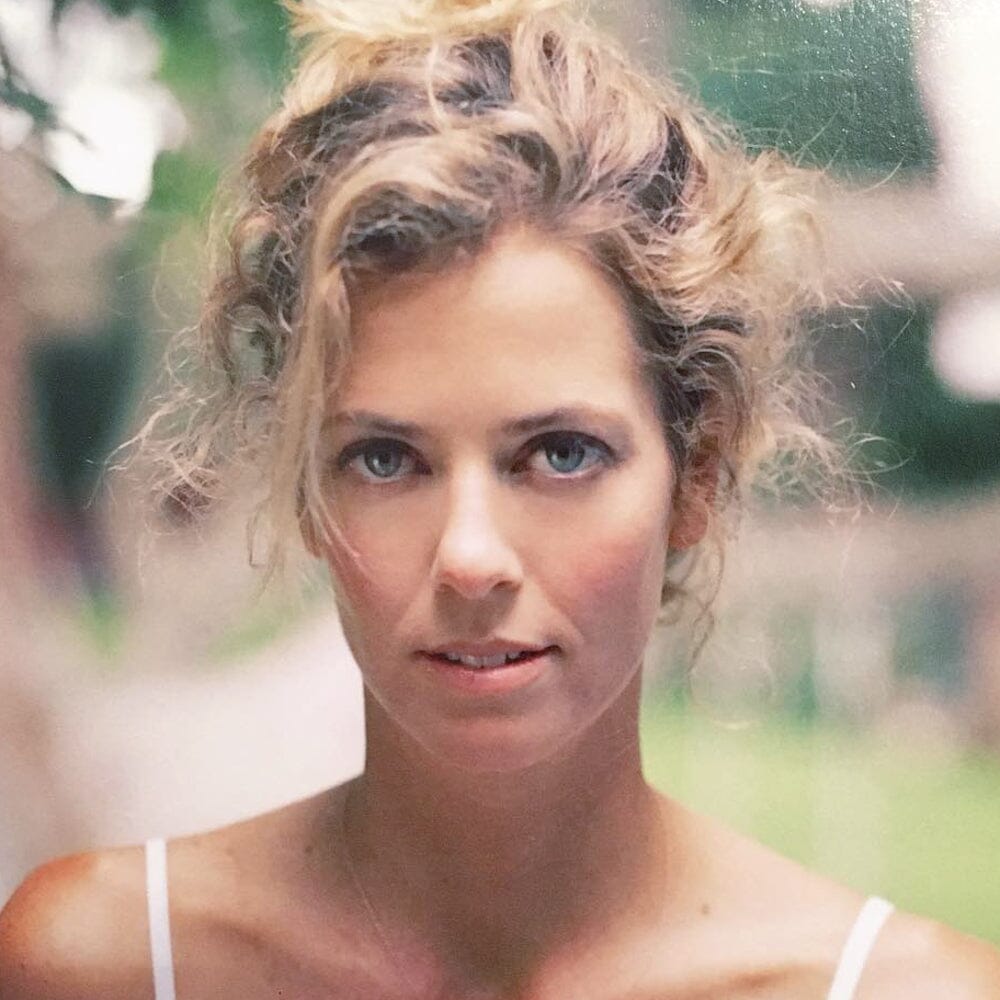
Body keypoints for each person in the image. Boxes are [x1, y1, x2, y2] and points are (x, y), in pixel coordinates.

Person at [1, 1, 998, 997]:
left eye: (560, 454)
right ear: (304, 487)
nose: (470, 557)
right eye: (385, 460)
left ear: (695, 471)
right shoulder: (104, 963)